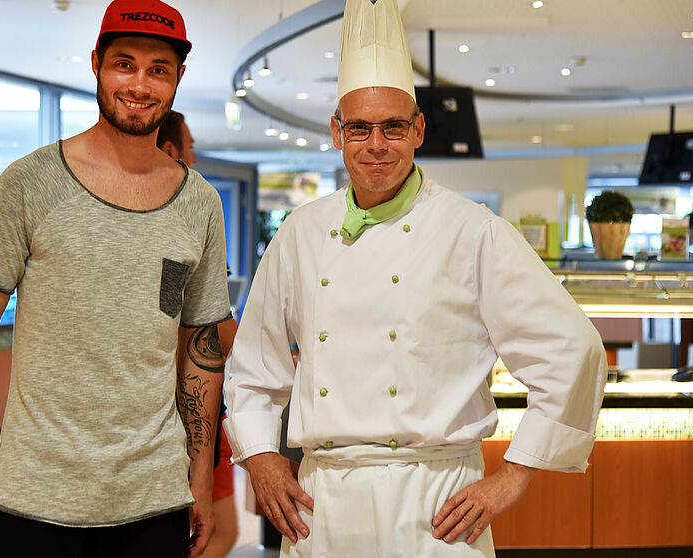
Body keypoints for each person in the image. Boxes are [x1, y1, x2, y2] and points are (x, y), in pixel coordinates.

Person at [222, 1, 607, 556]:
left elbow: (575, 351)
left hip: (439, 504)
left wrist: (514, 476)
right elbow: (254, 367)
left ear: (419, 129)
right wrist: (260, 457)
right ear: (336, 132)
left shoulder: (473, 230)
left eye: (393, 127)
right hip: (323, 503)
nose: (376, 145)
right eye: (359, 128)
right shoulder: (299, 234)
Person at [0, 1, 232, 557]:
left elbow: (200, 348)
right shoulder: (29, 183)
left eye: (158, 70)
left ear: (177, 80)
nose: (140, 85)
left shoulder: (200, 203)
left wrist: (199, 475)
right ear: (96, 63)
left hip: (153, 499)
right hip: (33, 495)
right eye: (125, 64)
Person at [158, 110, 240, 558]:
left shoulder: (194, 212)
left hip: (190, 415)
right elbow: (196, 325)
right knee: (214, 532)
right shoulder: (181, 227)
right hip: (186, 416)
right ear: (170, 151)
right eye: (188, 147)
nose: (193, 157)